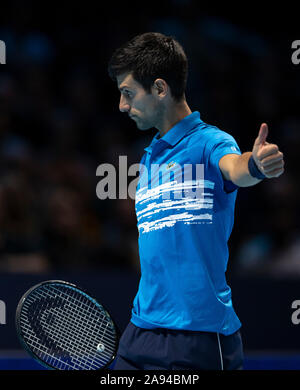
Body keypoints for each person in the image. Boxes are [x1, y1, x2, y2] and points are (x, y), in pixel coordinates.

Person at [107, 32, 284, 370]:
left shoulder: (210, 142)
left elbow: (235, 168)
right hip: (140, 332)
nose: (122, 105)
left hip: (197, 337)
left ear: (160, 89)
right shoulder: (148, 159)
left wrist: (257, 166)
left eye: (128, 93)